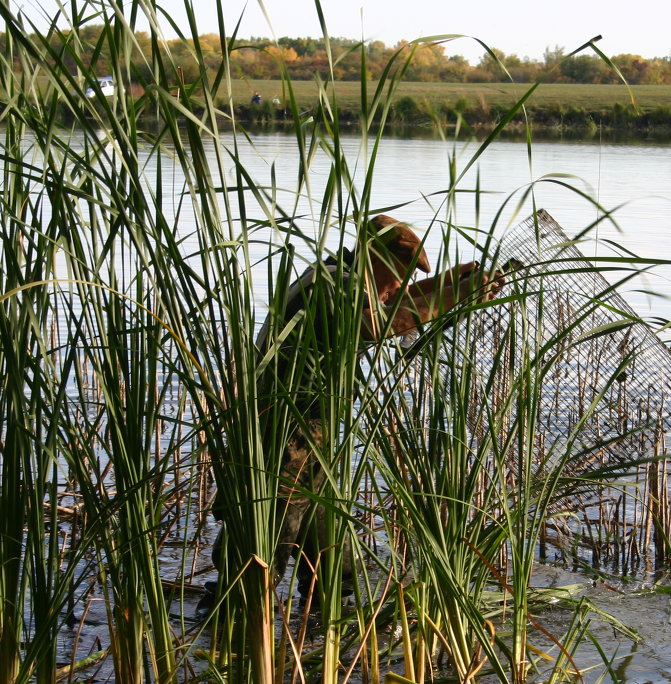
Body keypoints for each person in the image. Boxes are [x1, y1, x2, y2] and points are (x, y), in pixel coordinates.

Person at [206, 215, 499, 608]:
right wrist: (453, 297)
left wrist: (449, 283)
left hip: (309, 432)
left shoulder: (337, 276)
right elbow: (378, 324)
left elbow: (391, 301)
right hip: (282, 428)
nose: (399, 284)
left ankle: (329, 611)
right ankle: (235, 610)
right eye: (397, 273)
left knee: (331, 551)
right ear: (371, 257)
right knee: (270, 532)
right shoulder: (332, 284)